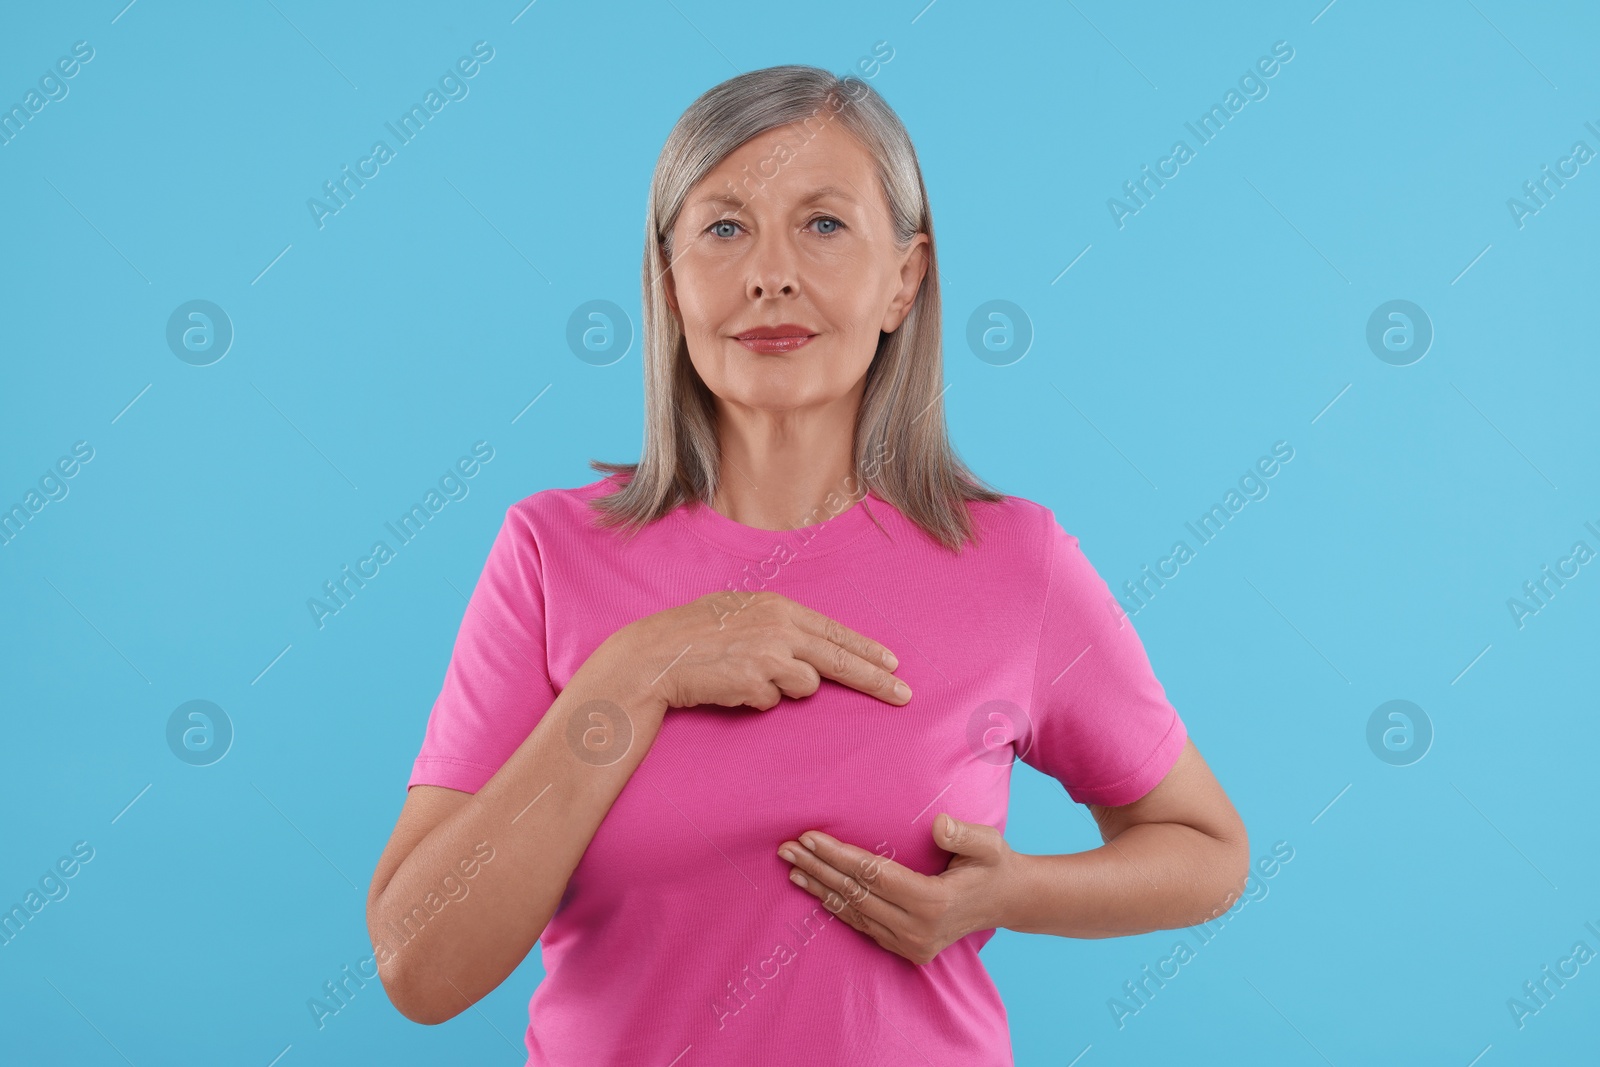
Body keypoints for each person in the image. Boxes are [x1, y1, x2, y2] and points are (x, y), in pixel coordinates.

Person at [366, 64, 1248, 1066]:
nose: (768, 274)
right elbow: (418, 964)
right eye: (724, 227)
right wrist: (632, 674)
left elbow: (1208, 852)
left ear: (903, 279)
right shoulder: (547, 554)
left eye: (823, 224)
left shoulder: (1013, 561)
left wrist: (1008, 893)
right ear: (667, 281)